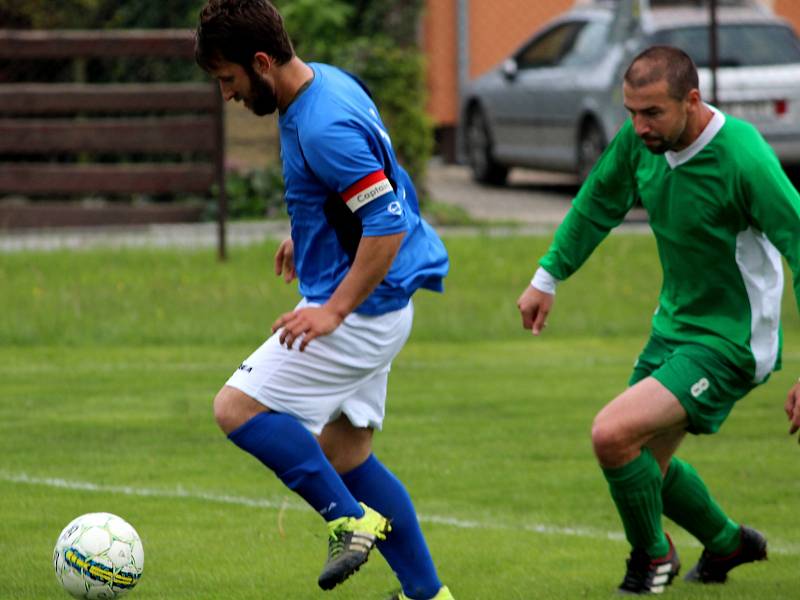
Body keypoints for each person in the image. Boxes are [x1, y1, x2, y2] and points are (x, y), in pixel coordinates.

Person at [517, 45, 800, 595]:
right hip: (673, 327)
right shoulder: (641, 143)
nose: (638, 126)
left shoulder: (743, 157)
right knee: (644, 463)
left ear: (691, 101)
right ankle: (726, 542)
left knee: (613, 434)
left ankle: (652, 557)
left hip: (731, 339)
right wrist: (547, 276)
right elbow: (599, 200)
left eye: (652, 113)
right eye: (631, 112)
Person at [194, 2, 454, 599]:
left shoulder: (321, 123)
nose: (228, 95)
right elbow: (365, 188)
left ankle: (347, 520)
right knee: (347, 455)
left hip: (359, 312)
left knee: (236, 408)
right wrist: (306, 231)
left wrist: (333, 309)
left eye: (229, 80)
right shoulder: (325, 84)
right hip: (379, 304)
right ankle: (428, 595)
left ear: (261, 62)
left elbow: (385, 220)